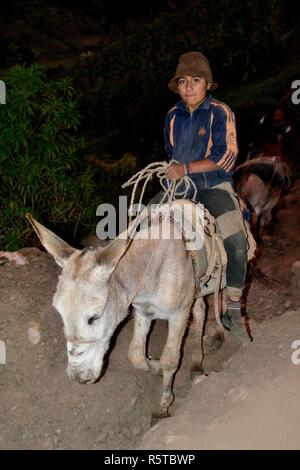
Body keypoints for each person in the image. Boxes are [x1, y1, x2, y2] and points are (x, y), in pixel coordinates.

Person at [161, 51, 252, 344]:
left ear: (207, 84)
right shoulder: (173, 116)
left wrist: (185, 168)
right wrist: (173, 171)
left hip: (214, 187)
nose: (189, 87)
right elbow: (170, 152)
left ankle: (234, 311)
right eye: (184, 81)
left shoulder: (219, 112)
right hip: (181, 189)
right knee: (139, 226)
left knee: (237, 243)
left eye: (196, 80)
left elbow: (225, 156)